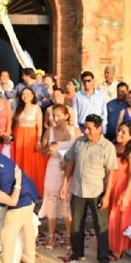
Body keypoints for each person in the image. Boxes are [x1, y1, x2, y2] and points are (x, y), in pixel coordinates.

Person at [61, 114, 117, 263]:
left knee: (101, 226)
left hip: (97, 192)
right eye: (85, 127)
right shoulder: (79, 143)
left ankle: (103, 258)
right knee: (77, 224)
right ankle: (77, 251)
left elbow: (111, 173)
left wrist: (107, 195)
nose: (86, 131)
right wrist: (64, 184)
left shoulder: (107, 147)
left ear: (99, 129)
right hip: (78, 190)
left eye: (90, 128)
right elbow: (70, 162)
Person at [39, 104, 80, 250]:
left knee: (67, 203)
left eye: (58, 115)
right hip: (53, 168)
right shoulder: (49, 132)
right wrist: (49, 149)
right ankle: (51, 237)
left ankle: (69, 237)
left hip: (70, 169)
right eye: (53, 116)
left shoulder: (75, 131)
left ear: (66, 115)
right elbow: (41, 151)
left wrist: (70, 162)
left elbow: (80, 151)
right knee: (52, 203)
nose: (55, 119)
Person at [108, 121, 131, 260]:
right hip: (111, 183)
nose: (119, 134)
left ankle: (118, 249)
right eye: (119, 130)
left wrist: (126, 194)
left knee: (119, 217)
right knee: (109, 216)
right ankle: (109, 244)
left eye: (123, 132)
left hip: (124, 186)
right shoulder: (113, 146)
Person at [12, 87, 46, 196]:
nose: (25, 96)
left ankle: (32, 189)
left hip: (31, 137)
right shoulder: (18, 108)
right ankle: (19, 188)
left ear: (32, 96)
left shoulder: (36, 108)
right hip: (18, 136)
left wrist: (39, 141)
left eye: (28, 94)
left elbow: (40, 127)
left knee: (31, 162)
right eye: (23, 94)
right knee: (19, 162)